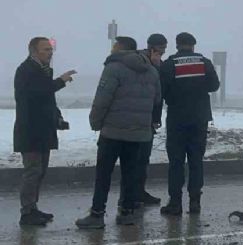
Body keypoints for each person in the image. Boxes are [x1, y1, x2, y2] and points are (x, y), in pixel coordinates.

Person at [75, 36, 161, 229]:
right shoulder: (152, 71)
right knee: (131, 172)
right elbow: (157, 100)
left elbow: (103, 98)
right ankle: (127, 212)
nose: (112, 48)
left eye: (114, 45)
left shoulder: (113, 68)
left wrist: (95, 122)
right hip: (139, 133)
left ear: (121, 49)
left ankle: (97, 214)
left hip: (113, 131)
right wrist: (149, 124)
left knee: (104, 174)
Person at [13, 37, 75, 227]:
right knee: (32, 171)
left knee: (40, 172)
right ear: (34, 51)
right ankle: (26, 212)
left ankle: (33, 208)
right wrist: (61, 81)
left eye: (50, 49)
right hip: (30, 129)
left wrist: (57, 118)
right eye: (45, 49)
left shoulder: (43, 70)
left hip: (44, 129)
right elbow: (37, 93)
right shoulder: (26, 70)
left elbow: (48, 99)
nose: (50, 52)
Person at [160, 32, 220, 216]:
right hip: (199, 118)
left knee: (176, 162)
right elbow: (214, 86)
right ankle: (195, 203)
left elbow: (162, 90)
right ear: (193, 45)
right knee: (196, 161)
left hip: (177, 118)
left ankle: (175, 203)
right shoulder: (204, 62)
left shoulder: (170, 64)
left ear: (177, 45)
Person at [121, 33, 168, 208]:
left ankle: (139, 191)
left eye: (164, 48)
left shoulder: (159, 64)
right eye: (160, 48)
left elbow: (159, 92)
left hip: (149, 117)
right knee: (133, 159)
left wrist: (156, 118)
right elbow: (143, 85)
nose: (162, 52)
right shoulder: (138, 61)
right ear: (151, 47)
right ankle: (128, 196)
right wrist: (154, 67)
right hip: (135, 117)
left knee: (143, 158)